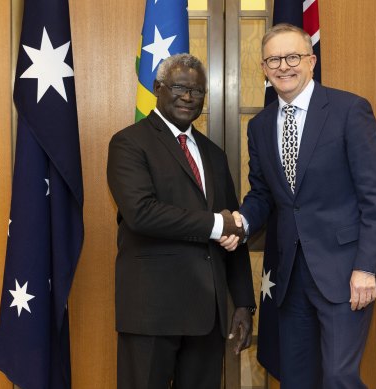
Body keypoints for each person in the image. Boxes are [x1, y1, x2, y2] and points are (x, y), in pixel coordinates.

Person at [229, 24, 376, 388]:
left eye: (293, 57)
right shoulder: (259, 126)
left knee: (338, 376)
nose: (284, 66)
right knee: (297, 378)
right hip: (289, 276)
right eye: (274, 59)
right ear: (264, 68)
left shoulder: (349, 110)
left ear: (311, 61)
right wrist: (239, 223)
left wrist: (366, 266)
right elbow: (263, 195)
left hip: (345, 273)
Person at [107, 53, 255, 389]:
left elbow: (234, 230)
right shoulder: (129, 143)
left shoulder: (213, 153)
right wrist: (216, 225)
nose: (188, 97)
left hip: (208, 316)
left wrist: (244, 303)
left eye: (197, 92)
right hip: (151, 313)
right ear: (158, 88)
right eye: (178, 88)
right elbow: (141, 213)